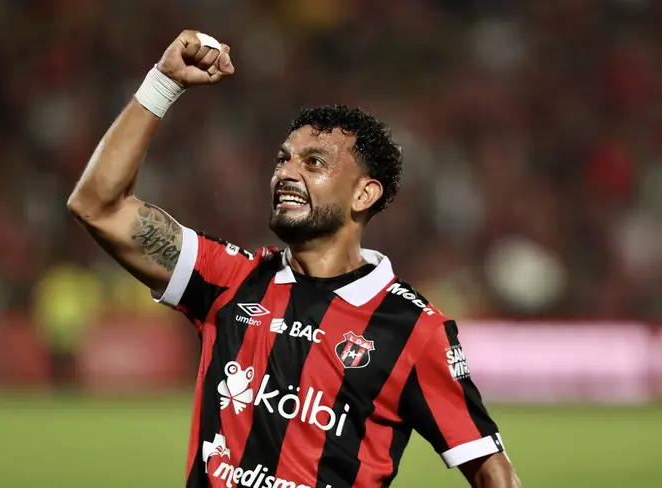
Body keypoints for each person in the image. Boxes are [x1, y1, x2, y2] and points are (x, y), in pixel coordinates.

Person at [67, 30, 521, 488]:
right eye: (283, 159)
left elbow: (490, 469)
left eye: (314, 163)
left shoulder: (412, 329)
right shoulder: (228, 280)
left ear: (364, 194)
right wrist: (163, 83)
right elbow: (97, 207)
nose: (286, 172)